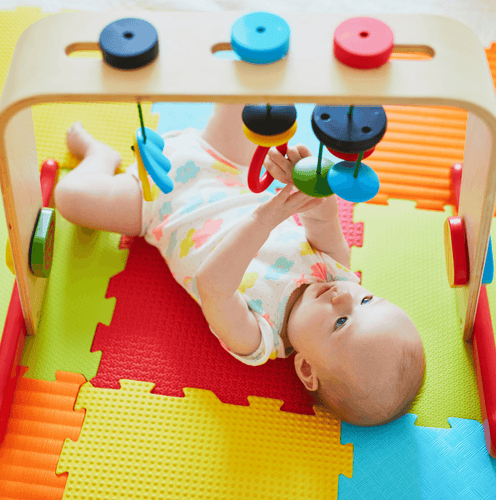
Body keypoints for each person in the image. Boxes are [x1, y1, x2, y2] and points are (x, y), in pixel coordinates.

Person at [54, 103, 426, 427]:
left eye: (341, 323)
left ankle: (99, 158)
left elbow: (213, 283)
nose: (344, 298)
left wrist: (265, 218)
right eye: (367, 300)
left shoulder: (258, 338)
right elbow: (323, 218)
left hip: (156, 206)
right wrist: (308, 181)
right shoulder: (335, 270)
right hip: (227, 166)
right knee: (257, 95)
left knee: (70, 197)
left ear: (307, 369)